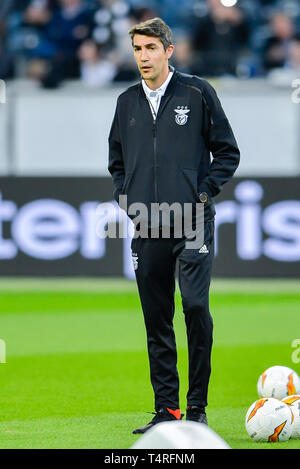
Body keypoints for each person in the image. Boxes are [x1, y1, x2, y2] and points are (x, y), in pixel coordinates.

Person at [108, 17, 240, 434]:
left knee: (196, 307)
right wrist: (127, 201)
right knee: (156, 316)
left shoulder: (198, 93)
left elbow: (227, 153)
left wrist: (202, 195)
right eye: (137, 50)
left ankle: (196, 408)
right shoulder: (126, 101)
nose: (143, 57)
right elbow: (117, 162)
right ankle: (167, 410)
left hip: (193, 219)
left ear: (169, 50)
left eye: (150, 48)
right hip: (147, 223)